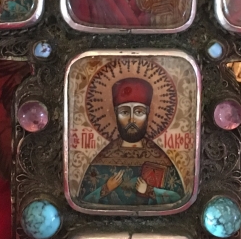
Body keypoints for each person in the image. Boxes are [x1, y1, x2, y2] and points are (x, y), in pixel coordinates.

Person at [78, 77, 184, 207]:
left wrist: (149, 191)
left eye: (139, 112)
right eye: (124, 112)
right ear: (115, 114)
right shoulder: (102, 158)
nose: (132, 119)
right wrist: (106, 188)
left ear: (148, 114)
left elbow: (178, 198)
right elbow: (84, 199)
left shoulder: (160, 157)